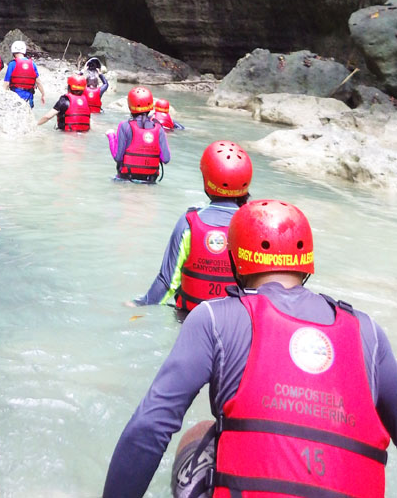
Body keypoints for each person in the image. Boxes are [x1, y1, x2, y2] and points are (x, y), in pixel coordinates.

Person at [103, 199, 397, 498]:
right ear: (306, 263)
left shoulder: (214, 318)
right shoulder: (369, 333)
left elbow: (150, 427)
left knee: (199, 433)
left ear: (235, 261)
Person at [129, 141, 252, 316]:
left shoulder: (188, 222)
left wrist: (140, 304)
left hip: (189, 320)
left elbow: (167, 281)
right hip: (236, 325)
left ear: (206, 179)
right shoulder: (252, 225)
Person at [106, 86, 170, 182]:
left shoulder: (124, 126)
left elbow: (118, 157)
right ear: (150, 107)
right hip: (149, 181)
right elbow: (166, 159)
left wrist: (111, 136)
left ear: (130, 106)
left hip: (126, 179)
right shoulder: (159, 128)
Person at [3, 40, 46, 108]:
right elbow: (38, 82)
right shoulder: (32, 64)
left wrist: (2, 97)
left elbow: (6, 84)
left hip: (15, 97)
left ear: (13, 51)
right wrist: (43, 95)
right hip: (29, 98)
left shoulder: (12, 64)